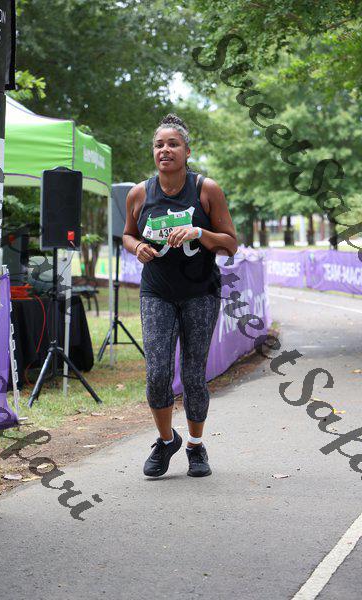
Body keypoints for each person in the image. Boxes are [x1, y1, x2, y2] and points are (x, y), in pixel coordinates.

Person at [123, 113, 237, 478]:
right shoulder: (140, 193)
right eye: (159, 145)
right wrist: (137, 247)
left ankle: (195, 446)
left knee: (192, 373)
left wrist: (198, 233)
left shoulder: (206, 190)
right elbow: (127, 234)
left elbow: (230, 244)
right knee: (157, 372)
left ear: (187, 151)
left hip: (200, 293)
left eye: (173, 144)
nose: (165, 150)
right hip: (156, 292)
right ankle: (166, 439)